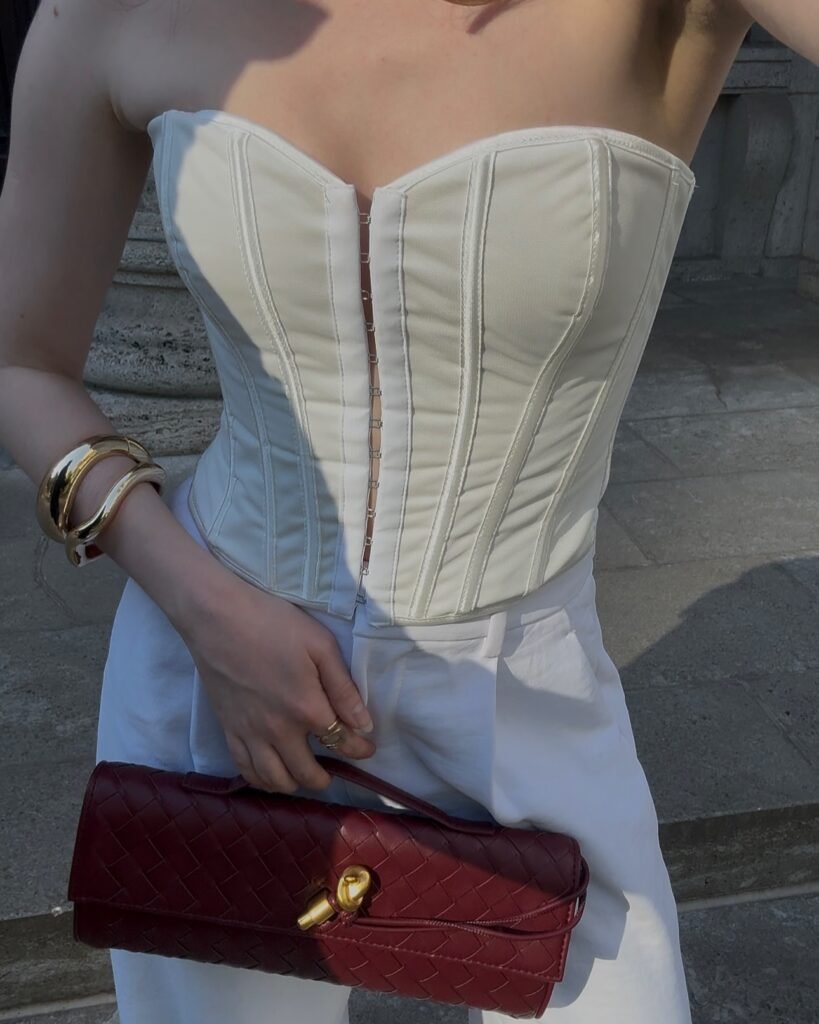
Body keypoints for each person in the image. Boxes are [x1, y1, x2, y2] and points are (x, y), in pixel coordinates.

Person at [1, 1, 809, 1022]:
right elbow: (21, 362)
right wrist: (202, 606)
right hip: (213, 678)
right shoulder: (110, 12)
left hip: (528, 690)